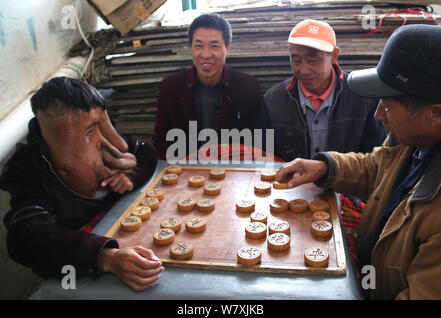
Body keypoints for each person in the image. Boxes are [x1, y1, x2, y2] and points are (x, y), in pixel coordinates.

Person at [276, 24, 441, 299]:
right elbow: (377, 167)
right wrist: (326, 166)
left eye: (387, 106)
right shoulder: (412, 141)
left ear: (435, 114)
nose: (377, 115)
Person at [0, 77, 163, 291]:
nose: (105, 140)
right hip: (77, 273)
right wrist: (104, 257)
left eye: (103, 125)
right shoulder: (31, 171)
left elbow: (144, 153)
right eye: (90, 131)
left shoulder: (106, 143)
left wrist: (131, 177)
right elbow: (26, 237)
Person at [263, 19, 386, 161]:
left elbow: (375, 158)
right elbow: (265, 157)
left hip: (347, 183)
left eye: (312, 61)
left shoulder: (364, 96)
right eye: (296, 61)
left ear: (334, 55)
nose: (303, 70)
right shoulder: (273, 100)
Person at [153, 13, 265, 161]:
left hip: (235, 171)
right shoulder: (172, 87)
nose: (205, 55)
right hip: (186, 170)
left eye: (214, 46)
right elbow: (161, 139)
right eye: (199, 46)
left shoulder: (248, 87)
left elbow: (260, 141)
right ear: (191, 48)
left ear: (228, 48)